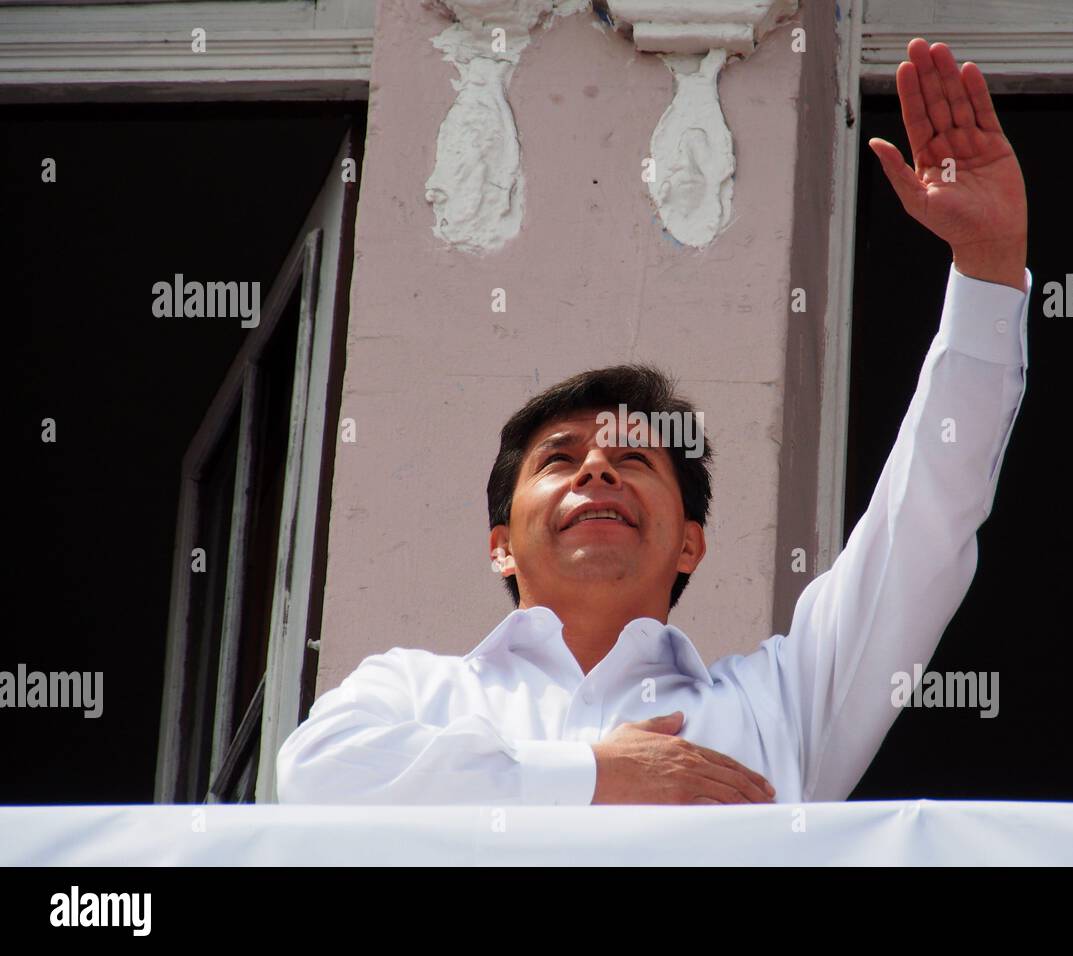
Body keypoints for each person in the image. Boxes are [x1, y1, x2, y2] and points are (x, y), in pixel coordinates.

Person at [276, 37, 1032, 805]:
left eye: (635, 460)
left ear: (691, 543)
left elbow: (923, 527)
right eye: (559, 459)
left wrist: (989, 264)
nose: (596, 468)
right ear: (501, 546)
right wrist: (597, 775)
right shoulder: (415, 691)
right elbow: (316, 776)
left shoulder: (779, 705)